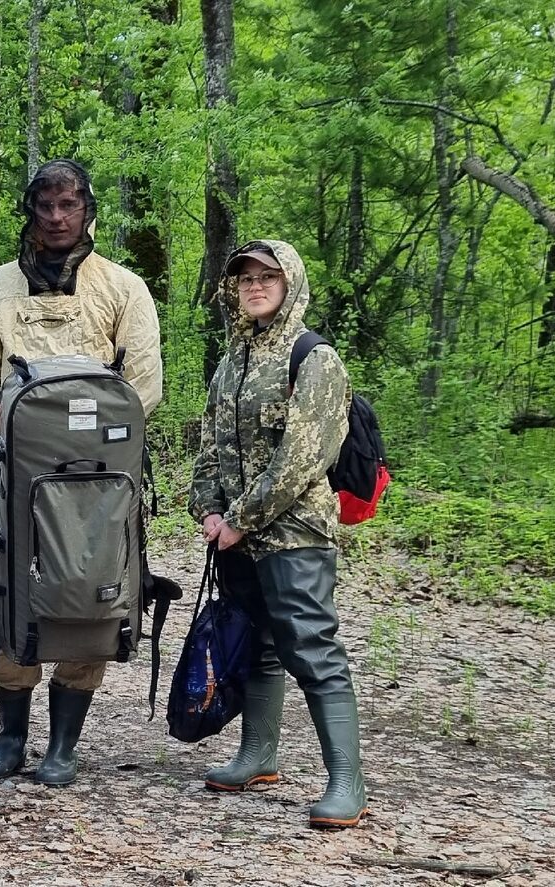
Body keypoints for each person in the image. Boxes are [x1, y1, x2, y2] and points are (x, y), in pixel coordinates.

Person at [0, 159, 163, 786]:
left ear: (87, 209)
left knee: (89, 587)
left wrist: (87, 435)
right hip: (19, 473)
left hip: (100, 477)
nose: (56, 217)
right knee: (10, 582)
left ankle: (64, 744)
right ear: (30, 212)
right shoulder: (1, 284)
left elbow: (143, 386)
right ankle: (9, 738)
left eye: (68, 204)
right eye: (45, 206)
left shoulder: (123, 287)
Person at [189, 240, 366, 829]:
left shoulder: (314, 358)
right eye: (246, 278)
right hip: (235, 536)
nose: (256, 286)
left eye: (269, 276)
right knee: (259, 646)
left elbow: (302, 458)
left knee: (312, 649)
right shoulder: (232, 360)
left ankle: (346, 783)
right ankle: (258, 756)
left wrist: (241, 518)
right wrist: (209, 510)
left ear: (290, 283)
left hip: (295, 533)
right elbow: (211, 444)